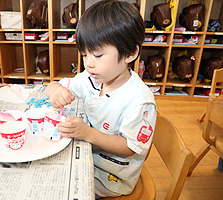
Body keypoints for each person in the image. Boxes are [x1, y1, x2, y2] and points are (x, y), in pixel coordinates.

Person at [45, 0, 156, 198]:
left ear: (130, 53)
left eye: (97, 55)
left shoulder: (139, 101)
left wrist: (88, 134)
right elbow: (58, 84)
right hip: (88, 156)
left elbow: (131, 147)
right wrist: (55, 91)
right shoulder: (91, 78)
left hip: (111, 177)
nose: (88, 64)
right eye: (84, 55)